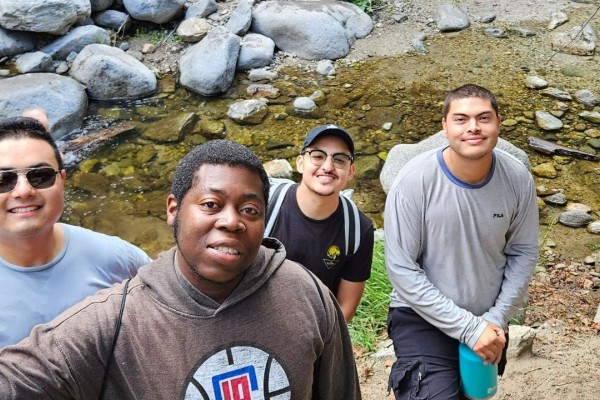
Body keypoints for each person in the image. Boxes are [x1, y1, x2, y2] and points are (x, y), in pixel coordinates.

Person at [0, 139, 361, 399]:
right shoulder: (116, 322)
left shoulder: (306, 293)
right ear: (173, 208)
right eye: (210, 204)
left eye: (250, 210)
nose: (231, 221)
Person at [384, 84, 539, 399]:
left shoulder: (518, 178)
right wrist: (469, 329)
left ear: (498, 123)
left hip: (488, 315)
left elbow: (523, 251)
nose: (473, 127)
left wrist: (494, 319)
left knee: (476, 395)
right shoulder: (414, 181)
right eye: (461, 119)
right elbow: (401, 268)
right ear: (444, 126)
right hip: (421, 315)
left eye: (483, 118)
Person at [0, 116, 151, 348]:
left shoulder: (115, 258)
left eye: (40, 176)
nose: (23, 190)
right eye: (3, 180)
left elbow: (169, 307)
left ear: (62, 180)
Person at [265, 124, 375, 322]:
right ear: (300, 163)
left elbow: (346, 307)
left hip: (313, 328)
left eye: (339, 159)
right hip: (251, 316)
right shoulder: (265, 205)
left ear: (351, 172)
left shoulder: (358, 229)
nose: (328, 166)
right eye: (317, 156)